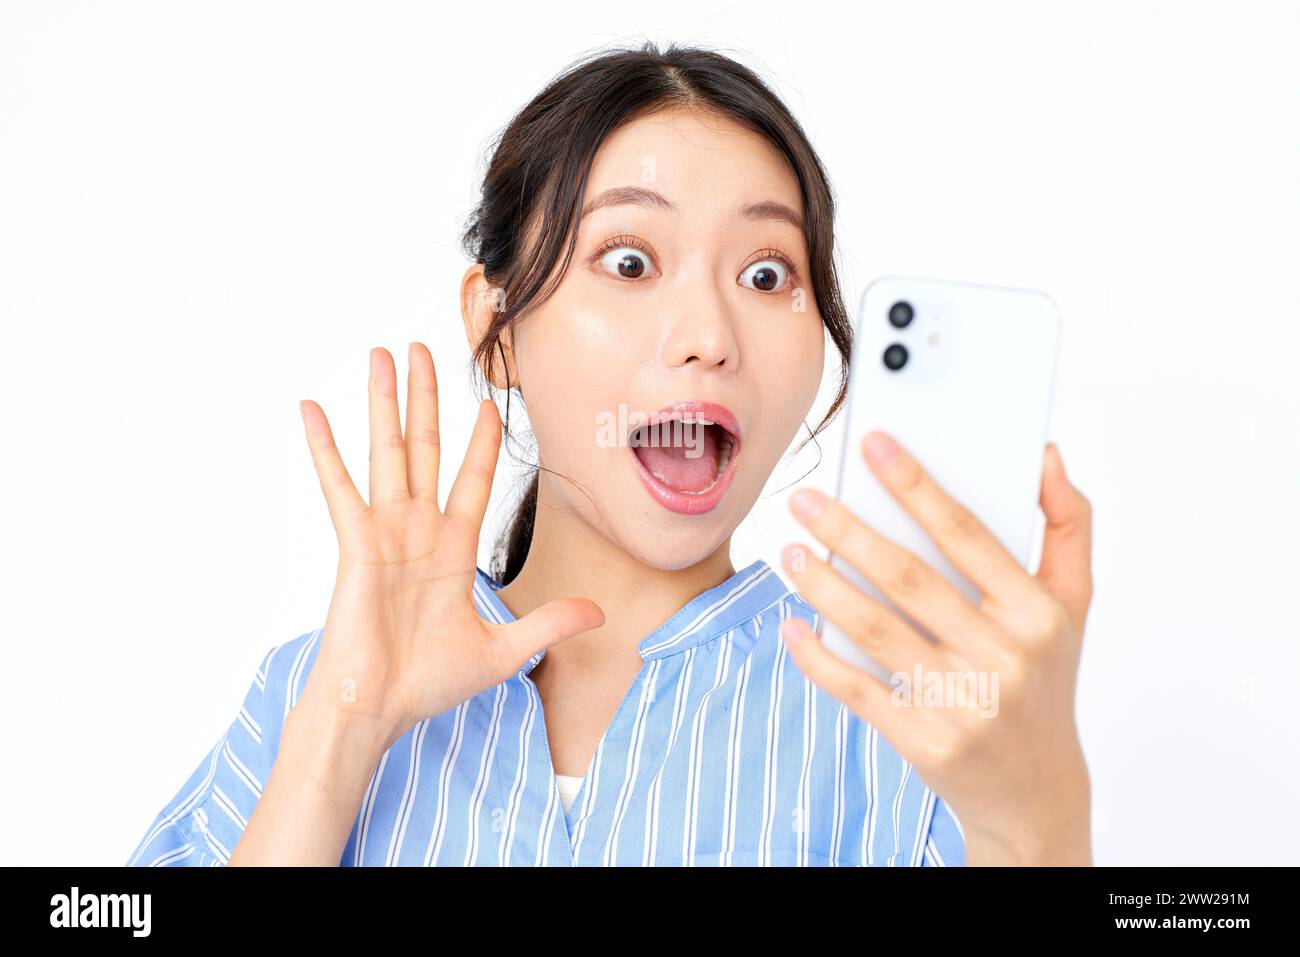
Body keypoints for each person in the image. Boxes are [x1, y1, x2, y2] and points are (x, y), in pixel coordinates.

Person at [127, 41, 1093, 867]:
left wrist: (1040, 818)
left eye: (767, 273)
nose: (709, 332)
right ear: (495, 329)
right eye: (629, 261)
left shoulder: (912, 714)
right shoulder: (314, 687)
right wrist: (340, 737)